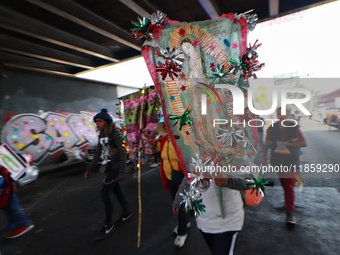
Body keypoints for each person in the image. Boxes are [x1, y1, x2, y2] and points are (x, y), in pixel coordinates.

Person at [173, 171, 250, 255]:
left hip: (228, 222)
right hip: (204, 220)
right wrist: (178, 200)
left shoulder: (234, 159)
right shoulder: (195, 159)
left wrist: (227, 180)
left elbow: (250, 181)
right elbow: (188, 178)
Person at [84, 108, 131, 240]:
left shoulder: (114, 133)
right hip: (108, 167)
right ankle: (126, 212)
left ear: (107, 122)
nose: (97, 124)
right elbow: (98, 153)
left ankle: (108, 225)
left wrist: (122, 171)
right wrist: (89, 169)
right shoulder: (101, 135)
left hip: (115, 167)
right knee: (116, 190)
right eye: (96, 121)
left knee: (105, 194)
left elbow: (123, 152)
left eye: (100, 121)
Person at [262, 107, 307, 224]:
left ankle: (290, 213)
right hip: (277, 161)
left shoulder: (294, 127)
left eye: (283, 113)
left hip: (291, 161)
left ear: (287, 114)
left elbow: (304, 143)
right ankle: (288, 203)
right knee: (284, 184)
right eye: (278, 113)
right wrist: (264, 158)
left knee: (288, 186)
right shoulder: (271, 128)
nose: (280, 115)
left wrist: (288, 144)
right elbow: (266, 143)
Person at [157, 121, 190, 248]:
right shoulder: (164, 140)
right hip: (170, 177)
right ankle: (185, 222)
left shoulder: (182, 139)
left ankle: (182, 232)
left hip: (182, 177)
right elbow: (161, 157)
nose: (167, 127)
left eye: (169, 125)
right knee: (176, 203)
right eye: (165, 125)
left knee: (180, 204)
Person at [0, 165, 34, 239]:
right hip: (5, 181)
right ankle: (14, 220)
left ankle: (24, 224)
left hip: (5, 182)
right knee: (5, 205)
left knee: (11, 205)